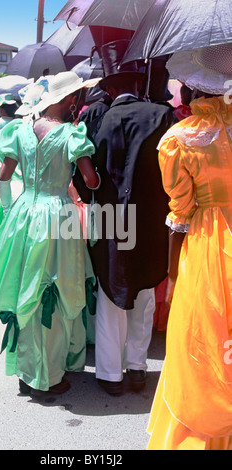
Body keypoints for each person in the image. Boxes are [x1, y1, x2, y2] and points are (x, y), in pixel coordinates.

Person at [0, 71, 100, 397]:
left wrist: (10, 204)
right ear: (67, 101)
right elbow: (91, 181)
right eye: (75, 96)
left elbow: (5, 175)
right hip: (57, 217)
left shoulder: (19, 132)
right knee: (55, 290)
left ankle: (28, 369)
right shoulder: (72, 135)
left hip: (24, 214)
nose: (77, 101)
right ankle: (48, 376)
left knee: (27, 290)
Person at [74, 39, 176, 396]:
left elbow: (82, 173)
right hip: (149, 219)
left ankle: (109, 374)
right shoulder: (161, 116)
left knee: (110, 294)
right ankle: (137, 368)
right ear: (135, 85)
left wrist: (92, 199)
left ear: (111, 87)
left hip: (109, 218)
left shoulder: (94, 119)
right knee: (144, 294)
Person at [147, 44, 232, 450]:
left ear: (192, 91)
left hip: (208, 244)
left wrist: (173, 270)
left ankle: (208, 423)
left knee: (204, 334)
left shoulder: (180, 139)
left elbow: (179, 213)